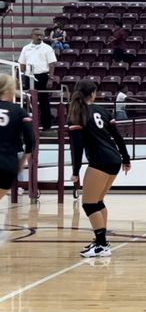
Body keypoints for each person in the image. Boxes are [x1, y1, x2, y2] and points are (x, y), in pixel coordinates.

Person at [68, 79, 131, 258]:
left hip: (99, 161)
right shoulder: (102, 111)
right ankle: (101, 242)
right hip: (114, 160)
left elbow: (77, 147)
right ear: (93, 93)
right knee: (98, 201)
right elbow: (118, 137)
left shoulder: (77, 113)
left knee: (89, 204)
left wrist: (75, 171)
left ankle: (102, 245)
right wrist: (126, 159)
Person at [0, 74, 35, 201]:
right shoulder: (19, 111)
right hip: (8, 166)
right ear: (9, 90)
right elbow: (30, 139)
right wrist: (22, 162)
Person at [18, 28, 57, 133]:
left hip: (42, 76)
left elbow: (52, 64)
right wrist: (21, 77)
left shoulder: (47, 48)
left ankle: (46, 126)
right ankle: (26, 126)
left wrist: (50, 79)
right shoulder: (26, 48)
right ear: (32, 35)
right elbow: (22, 63)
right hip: (28, 76)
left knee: (44, 102)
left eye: (41, 35)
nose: (39, 37)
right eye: (37, 35)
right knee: (27, 101)